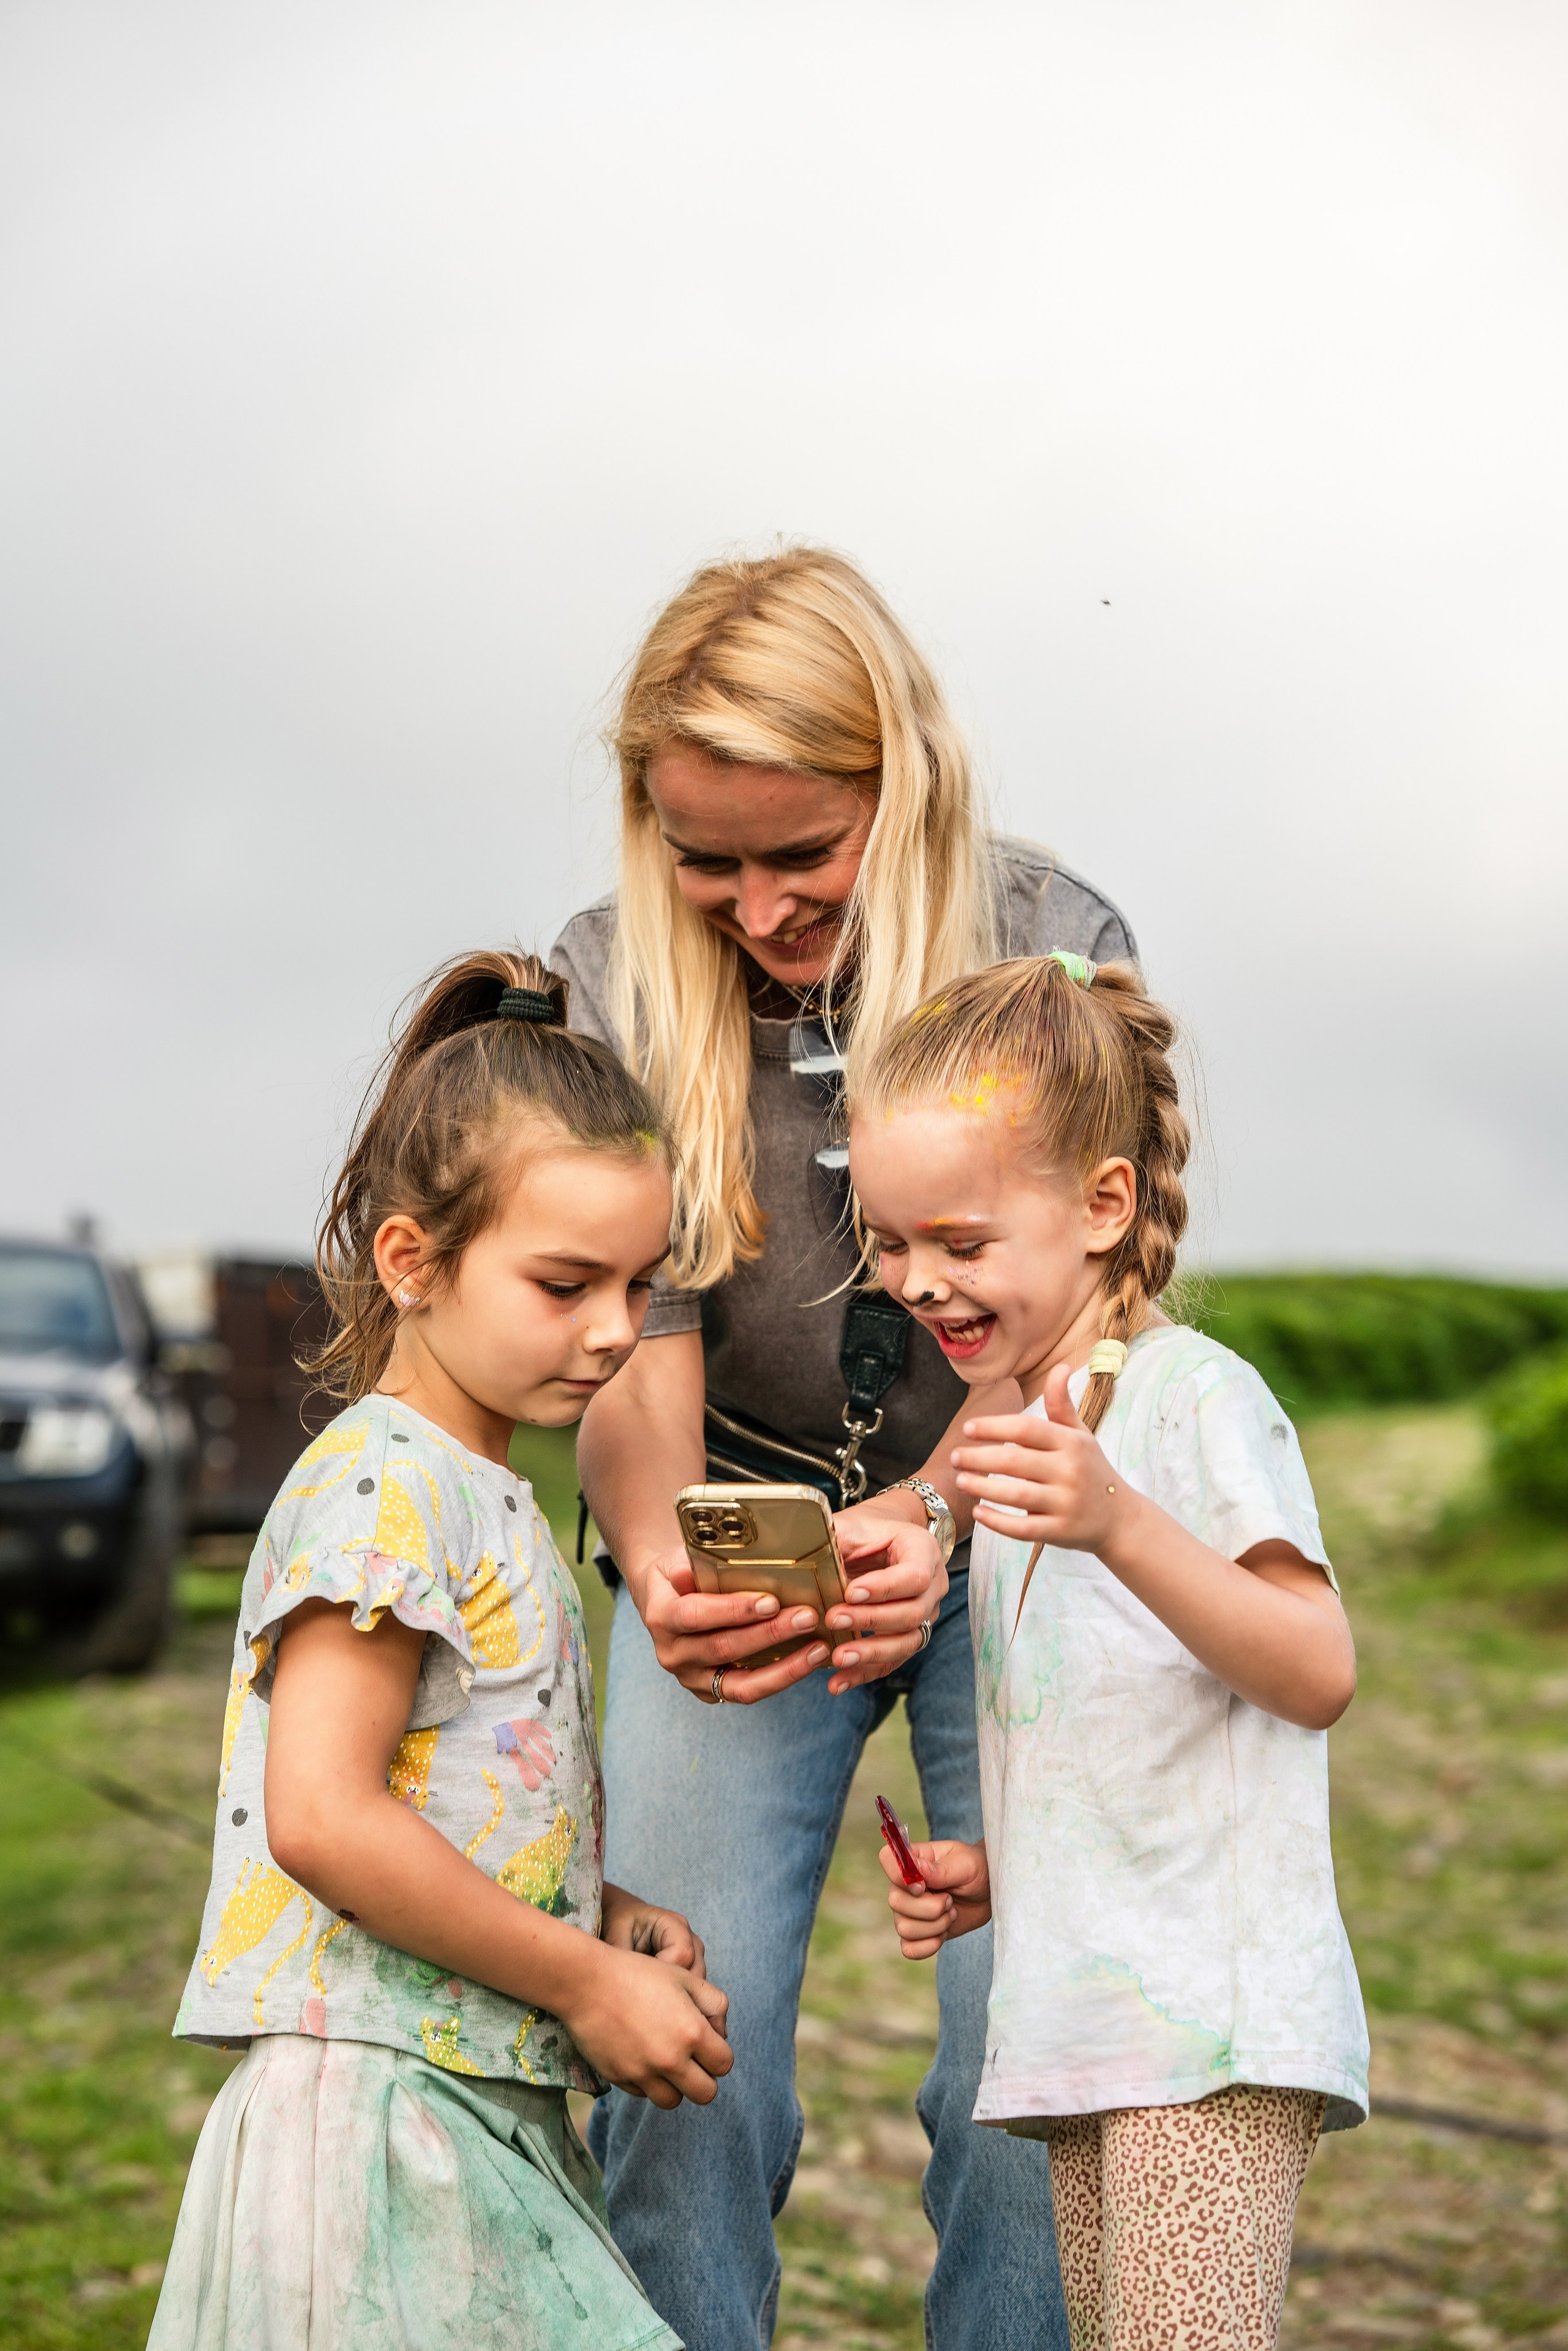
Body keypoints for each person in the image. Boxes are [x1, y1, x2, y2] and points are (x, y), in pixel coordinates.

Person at [551, 546, 1137, 2350]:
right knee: (677, 2049)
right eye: (700, 860)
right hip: (736, 1535)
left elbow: (1098, 1306)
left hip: (1021, 1517)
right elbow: (629, 1325)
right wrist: (657, 1551)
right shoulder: (604, 972)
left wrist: (936, 1511)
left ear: (909, 781)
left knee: (1023, 2060)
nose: (753, 905)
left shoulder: (1058, 941)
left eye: (803, 853)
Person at [150, 950, 733, 2351]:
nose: (613, 1330)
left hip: (465, 2102)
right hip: (372, 2125)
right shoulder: (383, 1490)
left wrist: (595, 1909)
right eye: (563, 1280)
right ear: (412, 1260)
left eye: (640, 1283)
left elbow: (436, 1795)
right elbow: (324, 1814)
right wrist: (585, 1980)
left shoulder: (479, 1490)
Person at [853, 953, 1370, 2351]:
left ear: (1102, 1203)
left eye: (958, 1241)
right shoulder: (1022, 1441)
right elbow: (1126, 1736)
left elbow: (1311, 1667)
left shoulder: (1190, 1401)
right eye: (888, 1244)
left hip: (1205, 2030)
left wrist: (1118, 1521)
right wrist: (995, 1876)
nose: (916, 1282)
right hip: (1087, 2024)